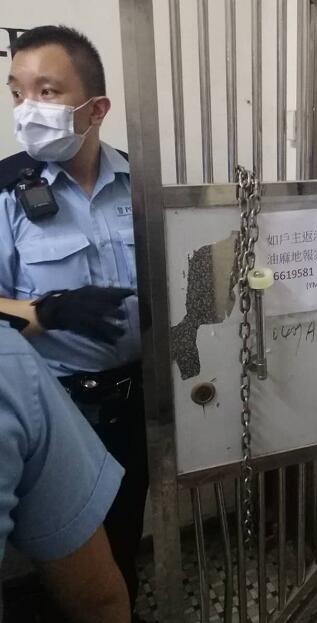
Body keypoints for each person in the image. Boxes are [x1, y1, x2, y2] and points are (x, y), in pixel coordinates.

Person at [0, 25, 147, 619]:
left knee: (126, 537)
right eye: (17, 92)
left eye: (48, 91)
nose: (27, 108)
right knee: (69, 565)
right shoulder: (7, 193)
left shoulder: (142, 183)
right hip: (58, 411)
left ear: (96, 109)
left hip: (140, 402)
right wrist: (44, 313)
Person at [0, 312, 130, 623]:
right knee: (70, 571)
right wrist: (47, 311)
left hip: (133, 394)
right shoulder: (10, 363)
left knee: (127, 521)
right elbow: (96, 599)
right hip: (61, 399)